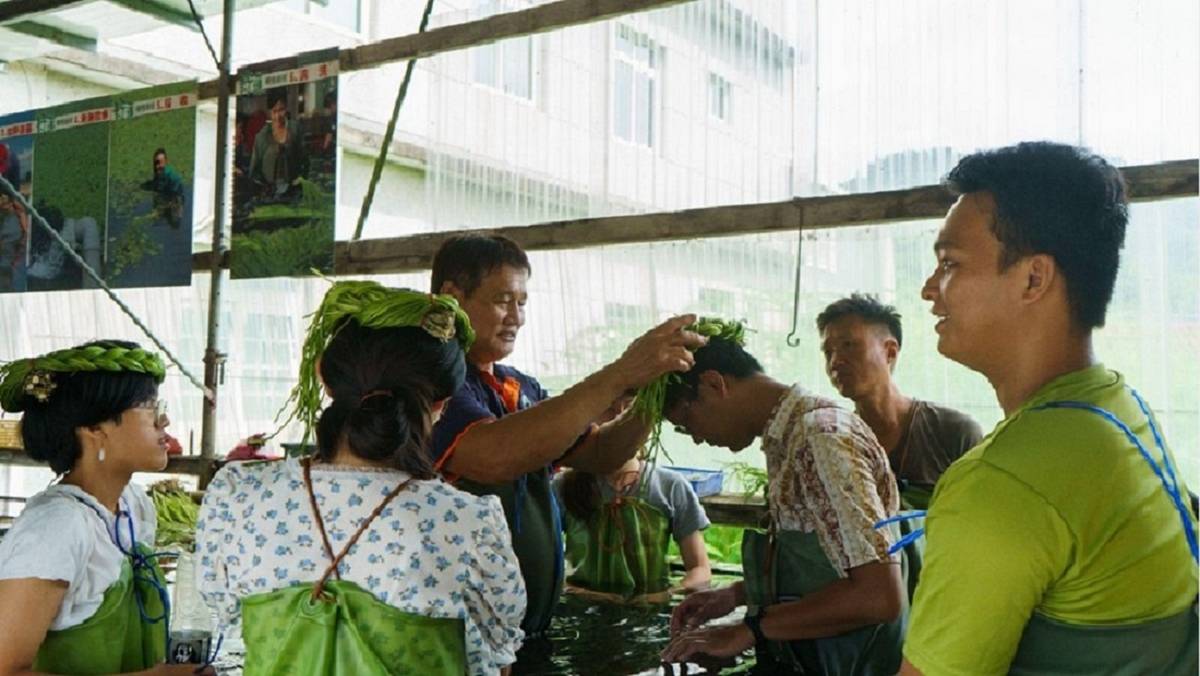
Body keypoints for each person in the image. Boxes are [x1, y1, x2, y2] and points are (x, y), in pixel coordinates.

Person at [902, 142, 1198, 675]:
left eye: (949, 263)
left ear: (1034, 279)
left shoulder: (1002, 485)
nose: (929, 289)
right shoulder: (1117, 407)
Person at [196, 282, 526, 675]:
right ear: (441, 403)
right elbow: (496, 655)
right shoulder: (466, 521)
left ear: (324, 378)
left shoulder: (237, 495)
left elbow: (226, 628)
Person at [429, 234, 705, 637]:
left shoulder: (521, 388)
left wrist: (653, 390)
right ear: (451, 297)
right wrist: (621, 373)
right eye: (503, 299)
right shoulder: (433, 387)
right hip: (459, 633)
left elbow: (601, 453)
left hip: (526, 629)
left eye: (522, 303)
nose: (517, 317)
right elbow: (495, 455)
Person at [659, 325, 905, 674]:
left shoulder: (821, 438)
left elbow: (878, 597)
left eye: (686, 421)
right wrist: (738, 594)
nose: (695, 438)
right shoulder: (788, 436)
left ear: (714, 385)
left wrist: (749, 629)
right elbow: (831, 563)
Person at [0, 341, 205, 675]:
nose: (163, 420)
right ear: (94, 427)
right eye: (149, 407)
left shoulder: (133, 506)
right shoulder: (57, 528)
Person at [817, 294, 981, 508]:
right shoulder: (837, 442)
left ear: (890, 352)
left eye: (848, 345)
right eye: (828, 352)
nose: (835, 361)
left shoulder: (953, 432)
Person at [554, 398, 712, 601]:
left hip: (649, 611)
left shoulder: (671, 486)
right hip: (582, 610)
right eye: (609, 408)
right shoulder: (562, 486)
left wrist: (666, 594)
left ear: (650, 427)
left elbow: (700, 569)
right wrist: (582, 594)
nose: (620, 417)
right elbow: (539, 566)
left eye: (630, 409)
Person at [249, 88, 307, 200]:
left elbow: (305, 159)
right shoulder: (262, 136)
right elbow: (254, 170)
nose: (277, 116)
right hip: (269, 193)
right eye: (274, 111)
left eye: (281, 110)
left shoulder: (296, 130)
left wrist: (301, 179)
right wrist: (264, 188)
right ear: (269, 112)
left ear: (286, 108)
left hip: (293, 191)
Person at [139, 148, 185, 229]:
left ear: (166, 162)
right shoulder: (159, 173)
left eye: (160, 163)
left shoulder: (172, 177)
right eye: (156, 163)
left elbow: (176, 200)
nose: (157, 166)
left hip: (174, 201)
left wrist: (161, 210)